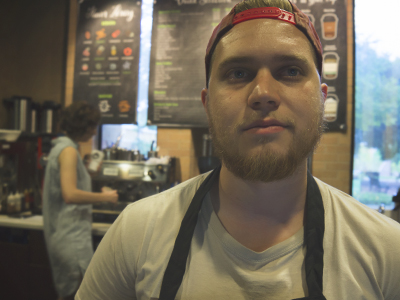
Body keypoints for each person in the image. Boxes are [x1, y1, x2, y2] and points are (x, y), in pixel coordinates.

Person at [76, 1, 400, 299]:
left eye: (290, 70)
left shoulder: (387, 250)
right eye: (238, 73)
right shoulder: (136, 232)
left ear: (321, 98)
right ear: (207, 104)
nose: (263, 93)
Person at [42, 101, 118, 300]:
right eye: (92, 127)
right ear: (81, 126)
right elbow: (70, 194)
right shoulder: (68, 152)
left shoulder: (64, 148)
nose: (94, 132)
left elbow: (68, 186)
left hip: (68, 236)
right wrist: (105, 197)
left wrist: (89, 174)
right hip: (71, 239)